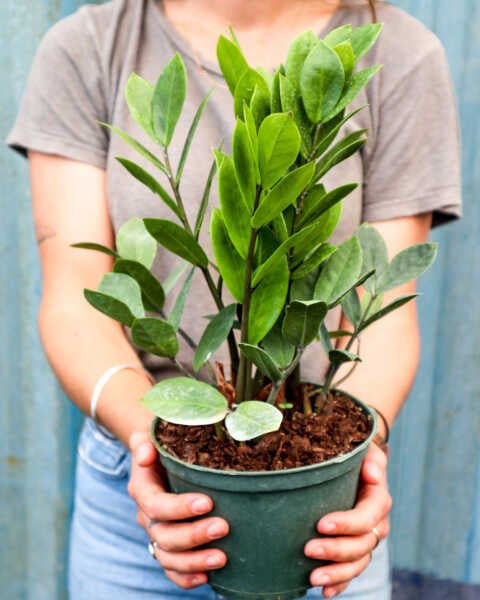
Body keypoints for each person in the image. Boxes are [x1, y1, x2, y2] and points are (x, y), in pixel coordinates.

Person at [6, 0, 461, 598]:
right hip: (135, 487)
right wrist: (153, 448)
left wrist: (362, 454)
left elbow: (382, 308)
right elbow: (77, 297)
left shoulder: (399, 53)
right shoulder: (89, 45)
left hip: (321, 501)